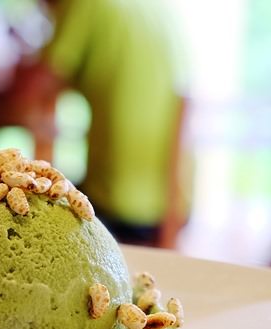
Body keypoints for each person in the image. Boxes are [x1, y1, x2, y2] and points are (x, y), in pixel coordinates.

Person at [14, 0, 182, 244]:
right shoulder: (156, 8)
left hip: (115, 206)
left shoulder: (83, 5)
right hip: (174, 204)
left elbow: (31, 94)